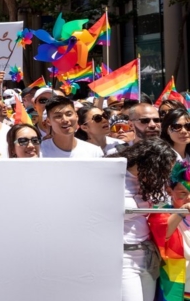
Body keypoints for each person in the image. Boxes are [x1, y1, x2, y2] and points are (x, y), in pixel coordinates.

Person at [109, 139, 175, 301]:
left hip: (147, 256)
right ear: (152, 163)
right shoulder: (113, 178)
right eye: (163, 170)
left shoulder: (148, 184)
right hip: (123, 258)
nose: (164, 176)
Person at [147, 159, 190, 301]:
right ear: (169, 191)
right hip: (176, 283)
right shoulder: (162, 213)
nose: (189, 198)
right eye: (183, 193)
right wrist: (181, 212)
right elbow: (163, 235)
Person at [39, 96, 104, 158]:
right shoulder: (40, 151)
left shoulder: (94, 152)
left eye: (69, 114)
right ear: (48, 121)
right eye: (58, 116)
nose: (65, 120)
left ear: (76, 116)